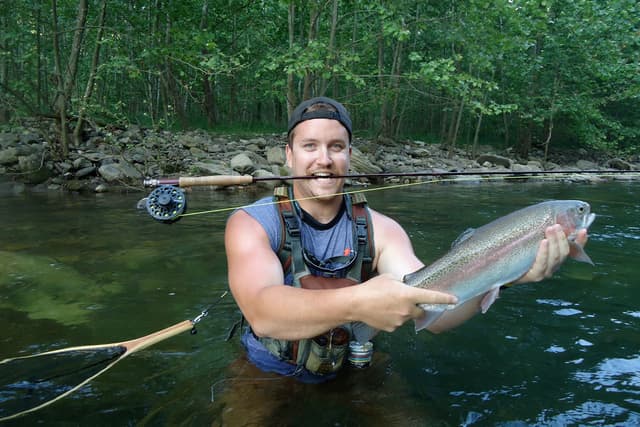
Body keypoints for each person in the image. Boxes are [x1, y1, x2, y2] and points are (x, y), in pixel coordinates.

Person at [224, 96, 588, 384]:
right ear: (289, 156)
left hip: (353, 369)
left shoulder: (383, 230)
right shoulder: (252, 223)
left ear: (350, 155)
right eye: (309, 146)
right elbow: (263, 314)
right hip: (266, 372)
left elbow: (435, 312)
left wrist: (506, 275)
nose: (324, 159)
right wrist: (359, 303)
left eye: (336, 146)